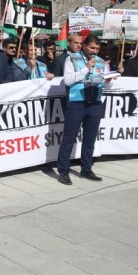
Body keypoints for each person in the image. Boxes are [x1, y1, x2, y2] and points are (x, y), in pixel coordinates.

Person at [57, 35, 113, 185]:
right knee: (69, 138)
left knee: (90, 139)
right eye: (92, 48)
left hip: (95, 103)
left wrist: (108, 81)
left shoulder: (101, 62)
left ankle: (86, 169)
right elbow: (67, 80)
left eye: (97, 48)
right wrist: (86, 68)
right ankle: (63, 171)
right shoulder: (71, 58)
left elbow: (106, 86)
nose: (95, 51)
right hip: (76, 103)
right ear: (84, 46)